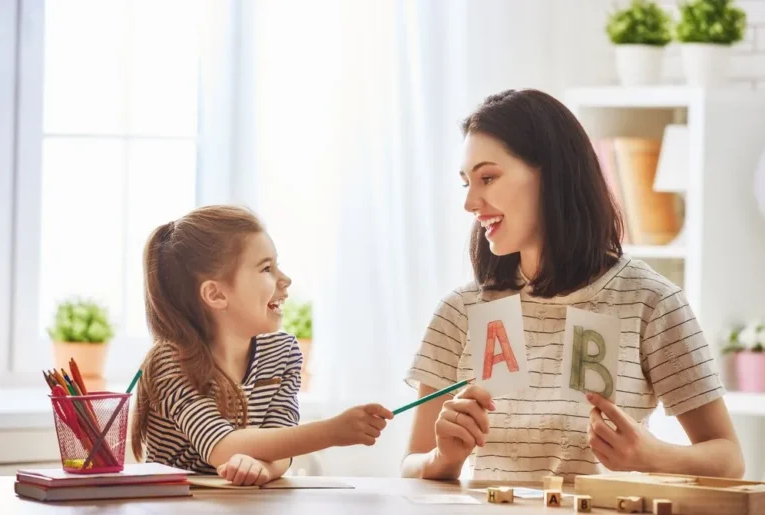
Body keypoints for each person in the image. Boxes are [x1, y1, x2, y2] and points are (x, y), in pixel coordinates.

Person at [400, 89, 744, 482]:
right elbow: (412, 464)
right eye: (466, 183)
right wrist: (441, 459)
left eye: (488, 178)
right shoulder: (460, 311)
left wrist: (653, 456)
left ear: (552, 175)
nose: (471, 203)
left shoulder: (649, 301)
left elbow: (729, 459)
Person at [131, 205, 393, 485]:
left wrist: (264, 469)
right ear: (216, 294)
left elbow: (282, 440)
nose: (285, 279)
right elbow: (221, 446)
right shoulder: (170, 362)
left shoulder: (282, 353)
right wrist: (331, 432)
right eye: (266, 268)